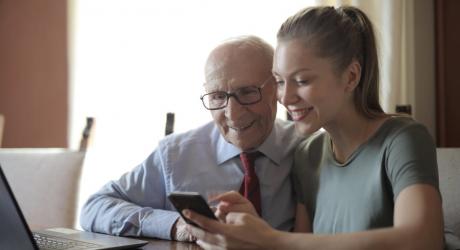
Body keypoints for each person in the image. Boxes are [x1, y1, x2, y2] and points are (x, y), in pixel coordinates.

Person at [184, 6, 445, 249]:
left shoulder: (402, 138)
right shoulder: (308, 154)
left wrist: (271, 238)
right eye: (280, 82)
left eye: (301, 80)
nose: (285, 98)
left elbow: (424, 239)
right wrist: (255, 234)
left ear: (351, 76)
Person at [80, 36, 302, 241]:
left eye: (247, 92)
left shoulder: (307, 149)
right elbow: (95, 207)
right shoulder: (176, 155)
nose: (233, 114)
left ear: (277, 88)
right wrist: (175, 225)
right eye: (217, 97)